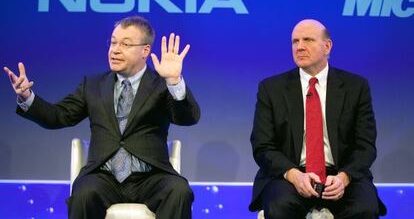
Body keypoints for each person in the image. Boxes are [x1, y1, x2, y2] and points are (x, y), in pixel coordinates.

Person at [3, 16, 200, 219]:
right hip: (103, 177)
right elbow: (58, 116)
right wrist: (26, 97)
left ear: (145, 51)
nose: (115, 50)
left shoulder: (161, 84)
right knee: (83, 194)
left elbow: (188, 117)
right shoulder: (93, 85)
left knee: (179, 191)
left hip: (150, 177)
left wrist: (174, 81)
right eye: (113, 42)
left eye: (125, 44)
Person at [249, 19, 386, 218]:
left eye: (308, 40)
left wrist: (344, 178)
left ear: (327, 46)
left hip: (342, 175)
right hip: (290, 176)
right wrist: (294, 175)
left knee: (364, 209)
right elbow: (262, 146)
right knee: (280, 208)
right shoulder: (271, 89)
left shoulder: (356, 87)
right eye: (295, 42)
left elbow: (365, 146)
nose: (300, 47)